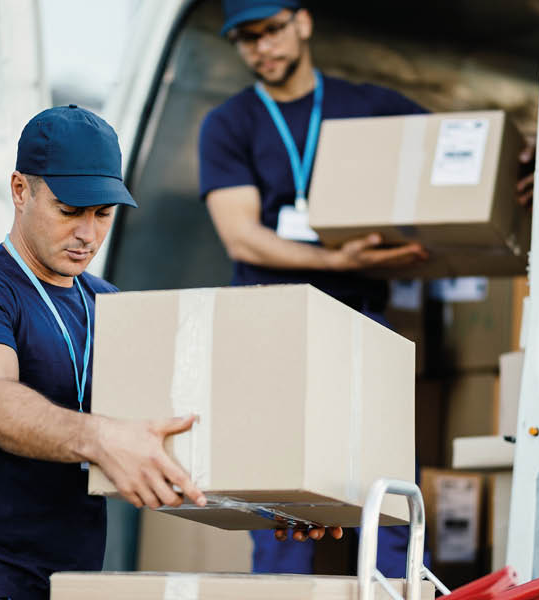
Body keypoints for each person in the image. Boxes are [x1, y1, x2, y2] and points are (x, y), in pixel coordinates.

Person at [0, 105, 210, 600]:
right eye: (69, 210)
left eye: (103, 214)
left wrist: (278, 505)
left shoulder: (111, 305)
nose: (87, 234)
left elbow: (173, 434)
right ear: (20, 190)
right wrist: (100, 439)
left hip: (72, 586)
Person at [199, 0, 437, 578]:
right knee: (278, 497)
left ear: (302, 22)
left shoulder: (369, 106)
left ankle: (402, 590)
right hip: (271, 328)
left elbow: (448, 150)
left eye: (272, 30)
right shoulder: (230, 123)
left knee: (386, 491)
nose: (263, 47)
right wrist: (336, 256)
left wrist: (524, 158)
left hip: (360, 323)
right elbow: (242, 238)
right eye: (247, 39)